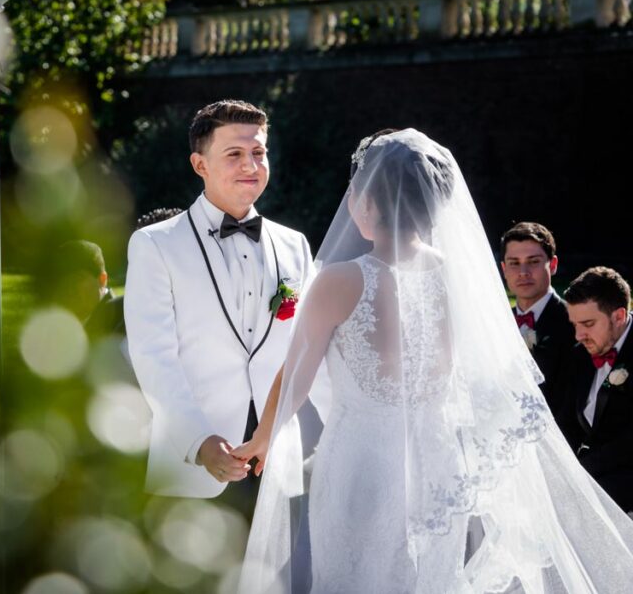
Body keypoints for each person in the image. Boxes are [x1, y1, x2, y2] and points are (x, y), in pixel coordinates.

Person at [235, 129, 633, 593]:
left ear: (368, 203)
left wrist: (260, 439)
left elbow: (294, 377)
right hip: (438, 470)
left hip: (359, 467)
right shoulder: (459, 277)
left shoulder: (338, 282)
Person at [124, 99, 330, 508]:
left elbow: (309, 348)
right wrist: (198, 441)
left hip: (279, 461)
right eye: (234, 154)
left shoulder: (294, 245)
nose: (250, 165)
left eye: (258, 152)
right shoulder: (155, 244)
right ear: (199, 164)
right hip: (193, 467)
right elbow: (152, 356)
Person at [557, 267, 633, 512]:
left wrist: (581, 473)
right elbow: (568, 421)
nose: (579, 335)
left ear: (619, 316)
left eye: (588, 324)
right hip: (593, 476)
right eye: (575, 325)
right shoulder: (581, 354)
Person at [500, 222, 575, 414]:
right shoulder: (497, 323)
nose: (523, 272)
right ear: (504, 269)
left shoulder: (576, 323)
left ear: (553, 265)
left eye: (533, 261)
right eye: (514, 263)